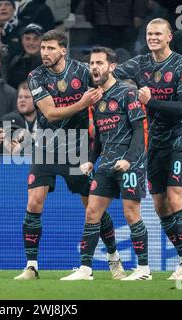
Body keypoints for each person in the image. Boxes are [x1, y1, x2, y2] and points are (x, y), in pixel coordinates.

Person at [14, 30, 125, 281]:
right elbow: (51, 114)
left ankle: (113, 257)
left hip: (77, 148)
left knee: (92, 206)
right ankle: (31, 266)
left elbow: (109, 84)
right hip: (46, 145)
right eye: (43, 48)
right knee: (34, 202)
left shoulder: (83, 71)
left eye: (51, 48)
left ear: (63, 50)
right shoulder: (35, 77)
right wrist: (83, 103)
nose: (45, 53)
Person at [113, 18, 182, 280]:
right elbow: (111, 75)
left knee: (176, 199)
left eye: (158, 34)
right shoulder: (140, 63)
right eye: (150, 33)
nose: (153, 37)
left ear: (169, 37)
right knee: (161, 205)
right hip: (155, 142)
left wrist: (150, 102)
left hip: (180, 140)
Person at [60, 47, 149, 281]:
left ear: (112, 66)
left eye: (100, 63)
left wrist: (129, 160)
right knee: (92, 212)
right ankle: (86, 269)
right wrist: (91, 161)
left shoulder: (127, 92)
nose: (95, 67)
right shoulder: (96, 98)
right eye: (91, 63)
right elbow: (99, 135)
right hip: (106, 165)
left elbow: (139, 129)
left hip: (131, 164)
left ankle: (143, 270)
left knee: (131, 214)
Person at [7, 23, 43, 90]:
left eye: (35, 39)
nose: (31, 43)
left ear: (42, 41)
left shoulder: (50, 64)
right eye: (27, 38)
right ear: (22, 41)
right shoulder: (15, 62)